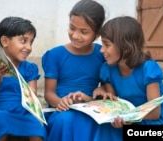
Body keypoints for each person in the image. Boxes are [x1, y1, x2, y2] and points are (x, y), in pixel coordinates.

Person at [92, 16, 163, 141]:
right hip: (128, 119)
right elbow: (115, 104)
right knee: (106, 128)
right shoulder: (107, 70)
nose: (101, 50)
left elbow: (154, 113)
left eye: (107, 45)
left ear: (125, 48)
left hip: (153, 121)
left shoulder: (148, 69)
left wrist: (129, 118)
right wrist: (103, 90)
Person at [0, 16, 46, 141]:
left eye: (31, 42)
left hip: (22, 113)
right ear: (5, 41)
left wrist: (31, 94)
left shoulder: (29, 69)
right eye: (23, 41)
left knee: (36, 124)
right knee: (3, 119)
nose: (29, 47)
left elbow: (32, 96)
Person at [41, 0, 106, 141]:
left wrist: (102, 90)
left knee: (102, 123)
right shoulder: (55, 55)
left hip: (90, 108)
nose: (75, 35)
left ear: (97, 33)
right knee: (66, 119)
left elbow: (107, 85)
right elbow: (49, 93)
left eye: (84, 32)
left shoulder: (101, 54)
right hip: (60, 110)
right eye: (72, 28)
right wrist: (60, 102)